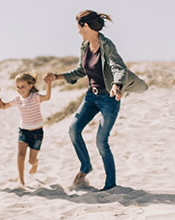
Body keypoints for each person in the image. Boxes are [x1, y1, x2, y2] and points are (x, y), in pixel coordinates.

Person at [45, 10, 148, 191]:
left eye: (78, 27)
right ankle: (86, 166)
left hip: (109, 98)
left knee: (101, 140)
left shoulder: (107, 45)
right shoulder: (85, 45)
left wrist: (117, 85)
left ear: (85, 26)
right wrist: (57, 76)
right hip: (91, 97)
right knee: (74, 129)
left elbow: (118, 67)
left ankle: (110, 184)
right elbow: (80, 71)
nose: (77, 31)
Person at [0, 72, 52, 186]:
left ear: (30, 86)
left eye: (22, 86)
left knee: (31, 160)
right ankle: (22, 180)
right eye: (17, 87)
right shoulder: (17, 99)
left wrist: (49, 84)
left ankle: (35, 164)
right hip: (24, 131)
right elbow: (3, 106)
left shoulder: (35, 97)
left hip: (37, 133)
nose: (20, 89)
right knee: (21, 156)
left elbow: (47, 97)